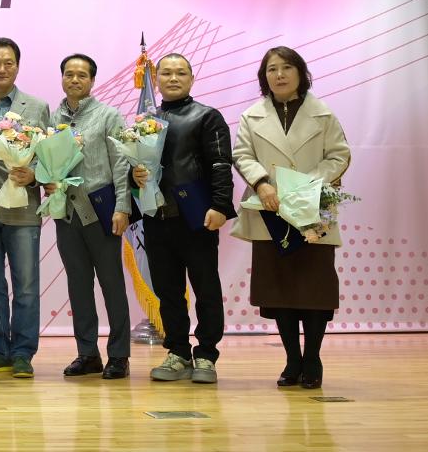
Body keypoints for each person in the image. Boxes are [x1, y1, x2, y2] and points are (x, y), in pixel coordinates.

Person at [232, 46, 350, 390]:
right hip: (269, 208)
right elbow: (242, 155)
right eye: (272, 69)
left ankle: (312, 358)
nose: (279, 74)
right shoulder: (251, 116)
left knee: (314, 289)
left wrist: (307, 185)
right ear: (264, 76)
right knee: (279, 290)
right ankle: (292, 360)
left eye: (286, 67)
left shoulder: (322, 114)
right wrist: (262, 183)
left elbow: (339, 156)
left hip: (313, 207)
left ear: (301, 72)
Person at [130, 53, 235, 384]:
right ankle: (177, 352)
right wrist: (135, 176)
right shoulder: (145, 121)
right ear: (156, 79)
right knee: (168, 291)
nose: (173, 78)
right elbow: (134, 166)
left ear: (191, 78)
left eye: (180, 73)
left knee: (206, 288)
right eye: (166, 73)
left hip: (196, 217)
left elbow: (221, 164)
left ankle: (206, 354)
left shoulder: (207, 116)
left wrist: (220, 205)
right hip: (157, 217)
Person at [47, 53, 133, 380]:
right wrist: (46, 179)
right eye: (69, 74)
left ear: (92, 80)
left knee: (112, 283)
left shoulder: (109, 116)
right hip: (67, 211)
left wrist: (123, 207)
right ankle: (88, 354)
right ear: (62, 78)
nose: (75, 80)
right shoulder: (53, 119)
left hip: (101, 209)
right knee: (78, 285)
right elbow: (45, 161)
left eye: (82, 75)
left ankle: (119, 355)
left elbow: (122, 164)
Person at [0, 38, 50, 379]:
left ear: (17, 66)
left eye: (8, 63)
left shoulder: (37, 106)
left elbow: (50, 155)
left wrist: (35, 175)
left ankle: (22, 352)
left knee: (26, 284)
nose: (1, 68)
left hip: (22, 204)